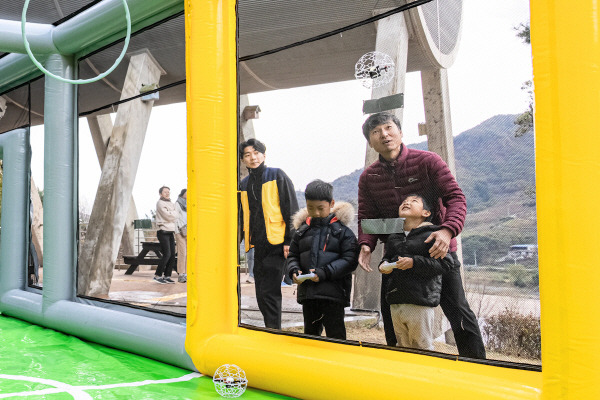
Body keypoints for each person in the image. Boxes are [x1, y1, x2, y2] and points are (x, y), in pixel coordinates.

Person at [357, 112, 486, 359]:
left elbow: (456, 197)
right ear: (370, 142)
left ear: (400, 132)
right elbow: (367, 216)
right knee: (391, 312)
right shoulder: (369, 177)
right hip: (396, 253)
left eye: (388, 128)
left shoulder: (428, 161)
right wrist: (366, 244)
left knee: (458, 310)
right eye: (376, 132)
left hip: (436, 249)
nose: (384, 134)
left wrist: (447, 231)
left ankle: (478, 367)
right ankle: (401, 369)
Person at [379, 194, 454, 350]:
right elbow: (387, 257)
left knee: (422, 348)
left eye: (414, 201)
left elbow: (445, 263)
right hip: (396, 300)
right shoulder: (394, 237)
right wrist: (383, 264)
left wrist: (414, 262)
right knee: (402, 347)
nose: (406, 202)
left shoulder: (432, 234)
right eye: (404, 201)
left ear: (425, 213)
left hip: (420, 302)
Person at [286, 180, 358, 340]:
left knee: (336, 336)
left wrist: (325, 272)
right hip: (309, 295)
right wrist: (293, 270)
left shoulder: (343, 232)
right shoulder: (301, 232)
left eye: (320, 208)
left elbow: (350, 260)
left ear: (331, 204)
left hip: (334, 295)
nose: (316, 212)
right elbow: (292, 256)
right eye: (311, 208)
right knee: (310, 336)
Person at [239, 138, 299, 329]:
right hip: (258, 244)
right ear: (243, 160)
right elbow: (241, 216)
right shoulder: (244, 184)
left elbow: (292, 209)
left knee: (271, 290)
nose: (253, 158)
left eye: (256, 153)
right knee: (260, 290)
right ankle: (270, 327)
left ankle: (274, 330)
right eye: (247, 155)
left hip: (278, 242)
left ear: (264, 155)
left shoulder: (276, 175)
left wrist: (290, 240)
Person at [154, 186, 178, 284]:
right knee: (167, 254)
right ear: (160, 193)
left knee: (172, 255)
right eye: (165, 192)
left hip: (171, 231)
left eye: (168, 192)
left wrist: (172, 214)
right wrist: (173, 213)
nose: (167, 193)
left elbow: (176, 215)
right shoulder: (160, 203)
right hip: (163, 231)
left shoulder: (171, 203)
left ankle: (167, 276)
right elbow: (168, 215)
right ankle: (157, 275)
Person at [175, 188, 187, 283]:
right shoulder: (177, 203)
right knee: (182, 253)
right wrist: (178, 229)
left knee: (188, 253)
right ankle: (181, 274)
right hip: (180, 231)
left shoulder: (190, 203)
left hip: (189, 230)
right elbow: (176, 218)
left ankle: (187, 273)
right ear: (182, 194)